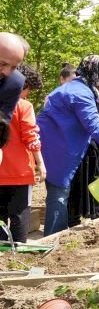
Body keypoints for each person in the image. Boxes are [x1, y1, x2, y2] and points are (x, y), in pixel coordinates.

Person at [37, 55, 99, 236]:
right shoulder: (80, 93)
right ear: (96, 74)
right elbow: (93, 125)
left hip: (58, 147)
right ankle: (53, 239)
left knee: (60, 194)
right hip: (57, 149)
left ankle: (57, 237)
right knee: (59, 195)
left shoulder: (78, 89)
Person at [0, 64, 45, 243]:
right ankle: (18, 253)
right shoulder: (24, 106)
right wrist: (41, 163)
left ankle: (2, 256)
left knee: (0, 216)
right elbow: (31, 137)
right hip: (19, 172)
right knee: (19, 215)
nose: (27, 94)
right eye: (28, 90)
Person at [0, 32, 29, 120]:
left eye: (14, 67)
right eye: (2, 64)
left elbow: (3, 122)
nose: (7, 72)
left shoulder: (14, 83)